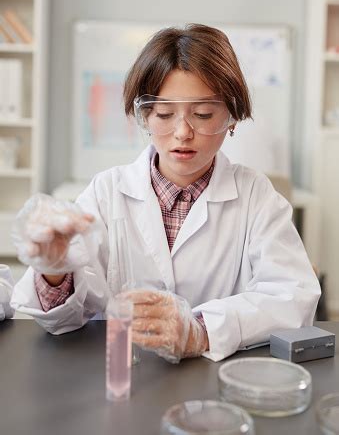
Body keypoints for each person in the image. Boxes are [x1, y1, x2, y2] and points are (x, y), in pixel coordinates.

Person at [11, 24, 320, 362]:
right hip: (121, 374)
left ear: (231, 117)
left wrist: (201, 331)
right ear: (144, 114)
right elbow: (63, 320)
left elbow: (294, 298)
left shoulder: (256, 196)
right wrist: (55, 272)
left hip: (213, 383)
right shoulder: (107, 191)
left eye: (203, 114)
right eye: (164, 114)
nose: (183, 132)